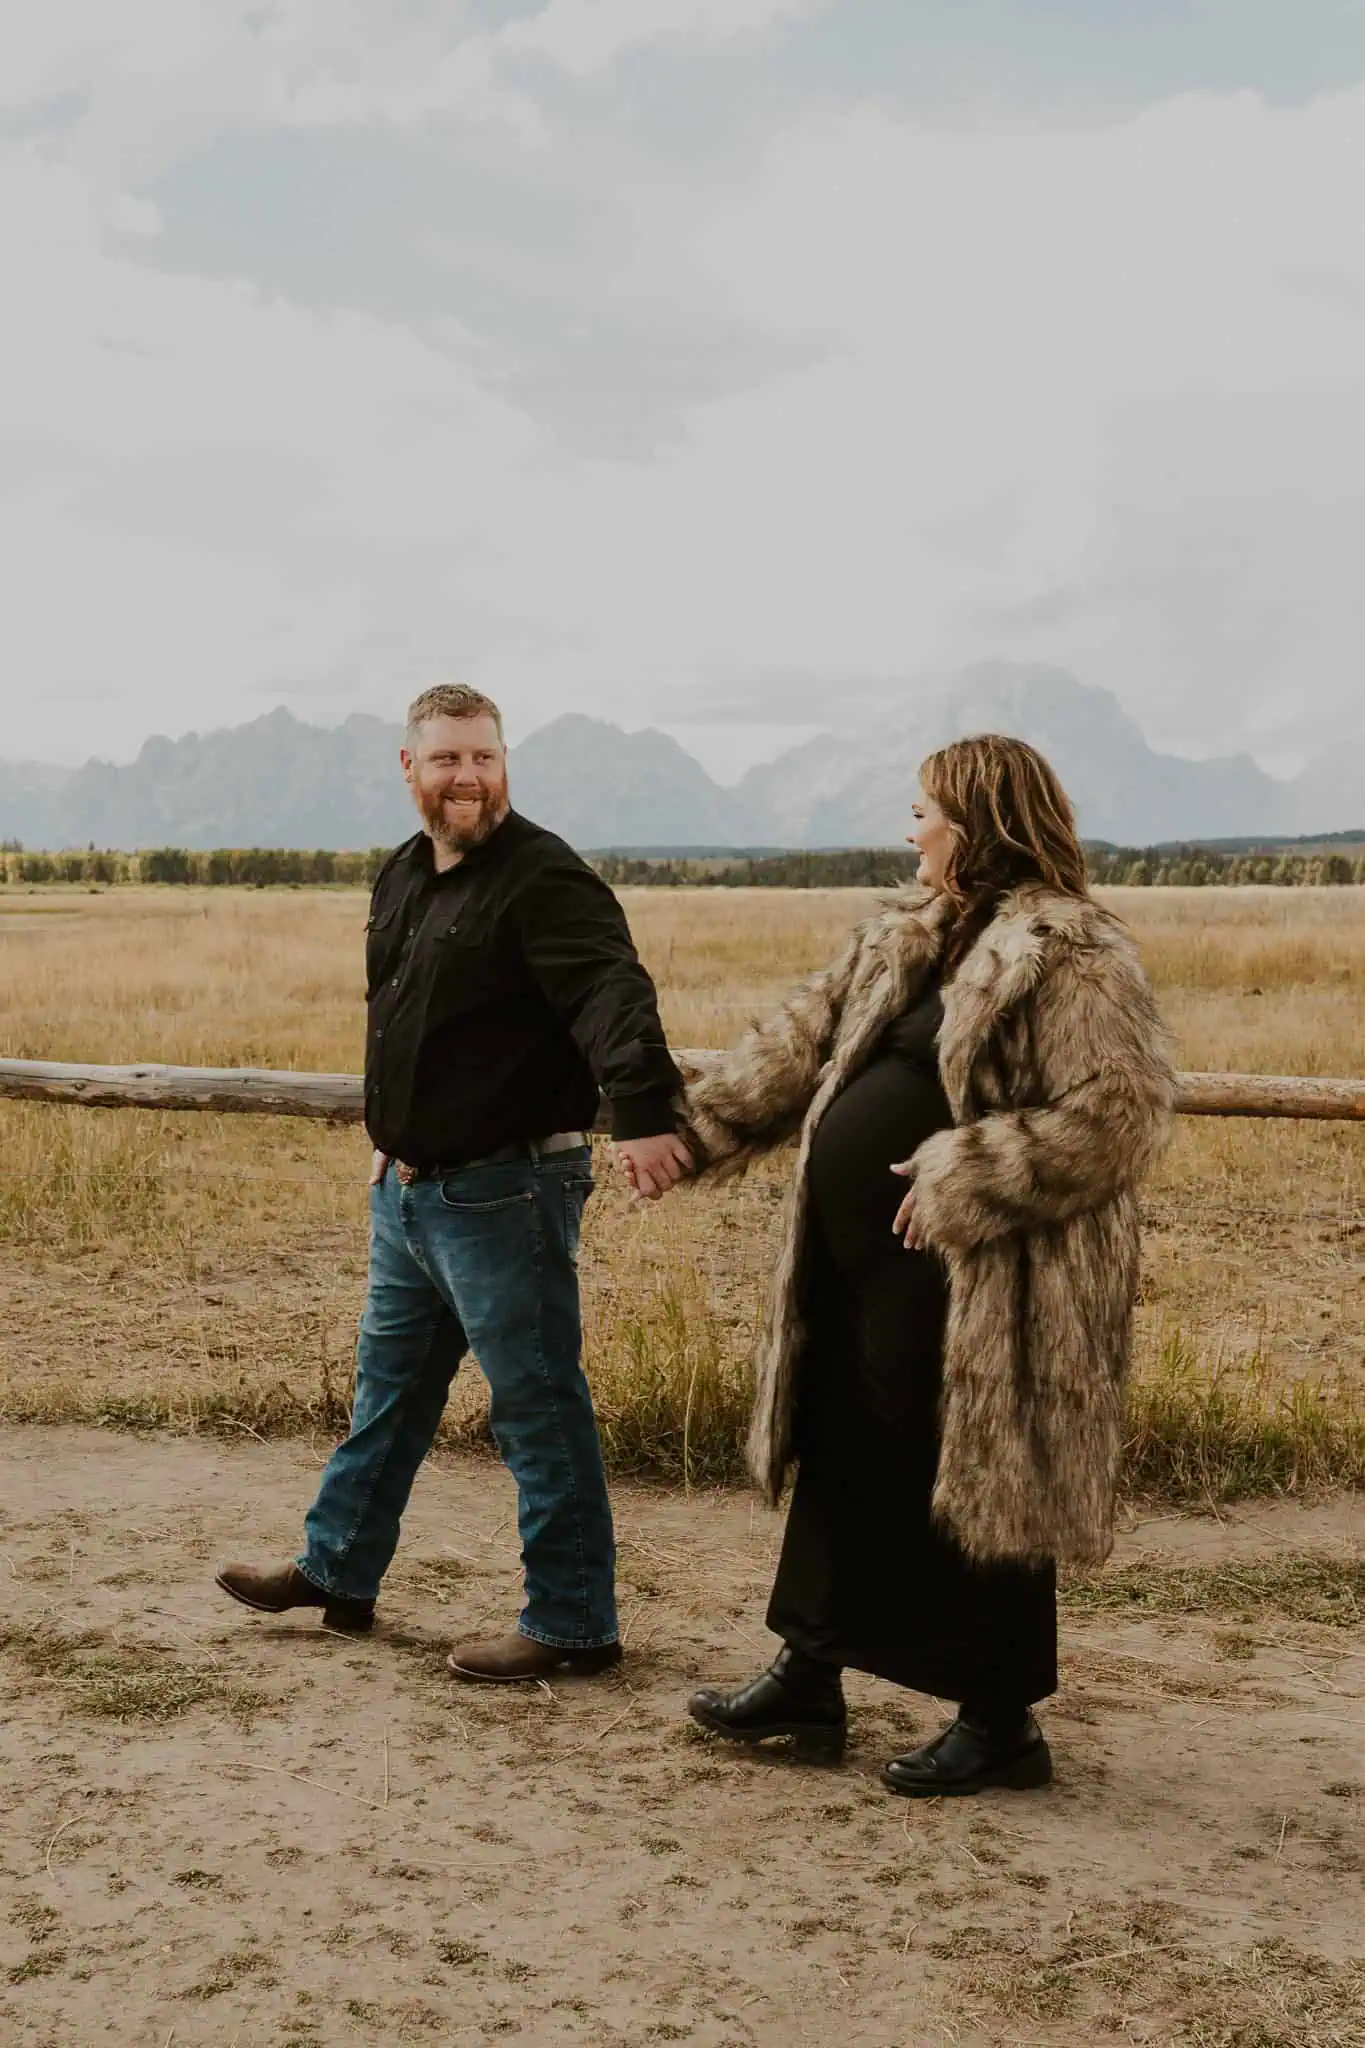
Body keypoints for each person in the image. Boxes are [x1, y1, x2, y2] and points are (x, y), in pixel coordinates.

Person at [671, 734, 1175, 1795]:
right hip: (859, 1270)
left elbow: (1118, 1112)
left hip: (992, 1281)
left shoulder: (1070, 952)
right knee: (847, 1449)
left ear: (977, 821)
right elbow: (797, 1046)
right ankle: (810, 1673)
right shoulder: (907, 937)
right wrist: (688, 1134)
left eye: (923, 810)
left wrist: (964, 1168)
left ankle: (1000, 1723)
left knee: (979, 1475)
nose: (911, 830)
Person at [215, 684, 692, 1681]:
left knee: (537, 1406)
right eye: (446, 759)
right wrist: (392, 1130)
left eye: (483, 756)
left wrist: (644, 1111)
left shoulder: (543, 877)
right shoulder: (403, 874)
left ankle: (572, 1621)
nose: (467, 775)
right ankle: (338, 1568)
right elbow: (395, 1011)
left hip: (507, 1192)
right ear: (409, 768)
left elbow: (612, 991)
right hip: (411, 1194)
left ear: (504, 760)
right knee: (386, 1398)